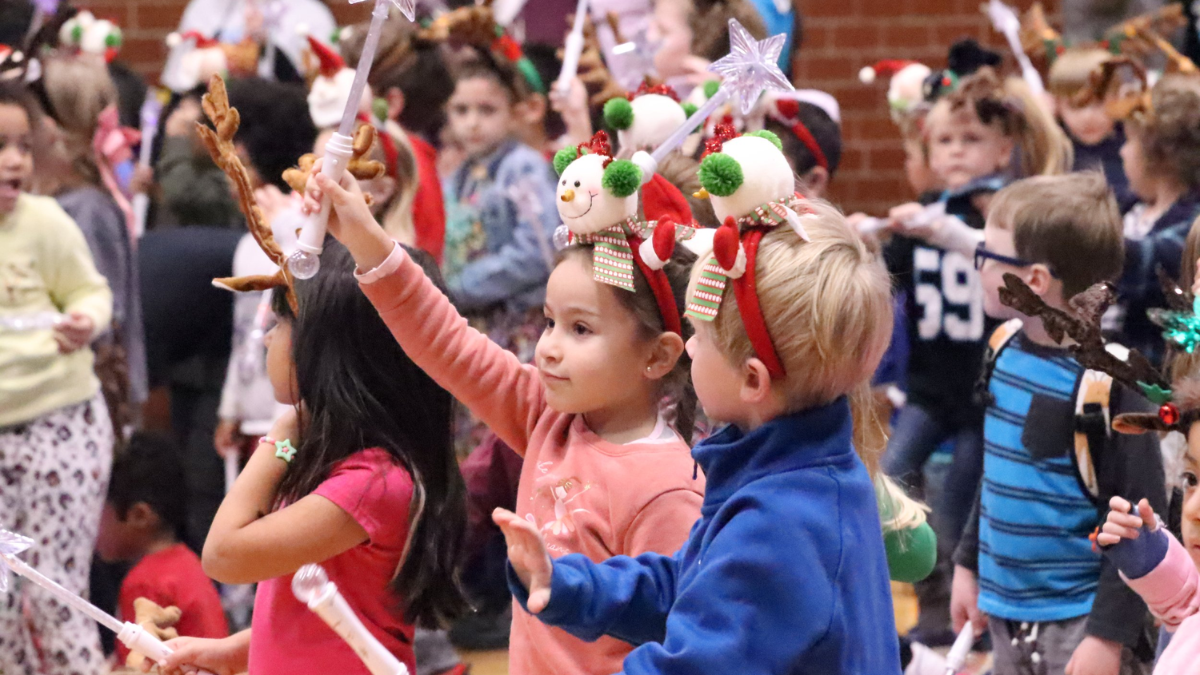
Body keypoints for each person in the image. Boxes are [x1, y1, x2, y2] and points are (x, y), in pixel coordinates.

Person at [305, 120, 707, 674]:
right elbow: (445, 339)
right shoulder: (546, 414)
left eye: (580, 329)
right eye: (548, 322)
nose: (549, 349)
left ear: (658, 357)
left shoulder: (668, 488)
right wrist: (363, 237)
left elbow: (679, 640)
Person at [497, 196, 901, 674]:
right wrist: (570, 585)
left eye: (700, 337)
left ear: (753, 380)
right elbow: (689, 585)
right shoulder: (791, 476)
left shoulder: (777, 521)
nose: (688, 346)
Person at [153, 243, 469, 675]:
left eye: (281, 322)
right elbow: (320, 613)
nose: (267, 336)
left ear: (329, 352)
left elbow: (223, 555)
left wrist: (279, 437)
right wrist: (236, 651)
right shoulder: (345, 463)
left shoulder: (371, 486)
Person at [879, 63, 1071, 645]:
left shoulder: (1003, 219)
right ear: (925, 149)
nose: (957, 152)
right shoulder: (920, 215)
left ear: (1003, 147)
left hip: (983, 395)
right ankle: (927, 593)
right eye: (944, 140)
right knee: (888, 479)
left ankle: (964, 607)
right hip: (928, 390)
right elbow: (887, 276)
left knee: (961, 497)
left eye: (971, 140)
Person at [951, 173, 1165, 674]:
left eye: (987, 257)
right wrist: (969, 564)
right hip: (1006, 617)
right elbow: (1000, 473)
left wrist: (1108, 638)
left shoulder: (1112, 384)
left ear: (1034, 281)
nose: (977, 267)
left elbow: (1142, 522)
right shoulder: (1002, 349)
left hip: (1080, 625)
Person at [0, 80, 115, 675]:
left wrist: (84, 321)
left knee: (52, 595)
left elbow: (93, 292)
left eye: (22, 144)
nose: (14, 159)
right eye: (0, 144)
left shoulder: (47, 222)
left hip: (59, 425)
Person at [440, 48, 560, 453]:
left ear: (513, 112)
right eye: (461, 110)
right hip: (475, 325)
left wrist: (459, 286)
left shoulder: (522, 167)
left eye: (487, 110)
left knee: (505, 437)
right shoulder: (458, 174)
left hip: (516, 328)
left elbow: (537, 250)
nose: (472, 122)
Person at [33, 48, 148, 442]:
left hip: (77, 411)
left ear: (50, 127)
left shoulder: (85, 210)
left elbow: (102, 320)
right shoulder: (59, 203)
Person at [97, 432, 229, 664]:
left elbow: (138, 668)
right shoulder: (188, 561)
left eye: (97, 514)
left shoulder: (145, 584)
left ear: (139, 515)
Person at [1113, 74, 1200, 367]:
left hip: (1153, 380)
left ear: (1160, 154)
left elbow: (1148, 264)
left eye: (1129, 141)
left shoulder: (1192, 222)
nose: (1122, 152)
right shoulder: (1131, 209)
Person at [1047, 48, 1133, 209]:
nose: (1088, 117)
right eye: (1076, 106)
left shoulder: (1132, 143)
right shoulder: (1053, 147)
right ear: (1057, 105)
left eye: (1099, 103)